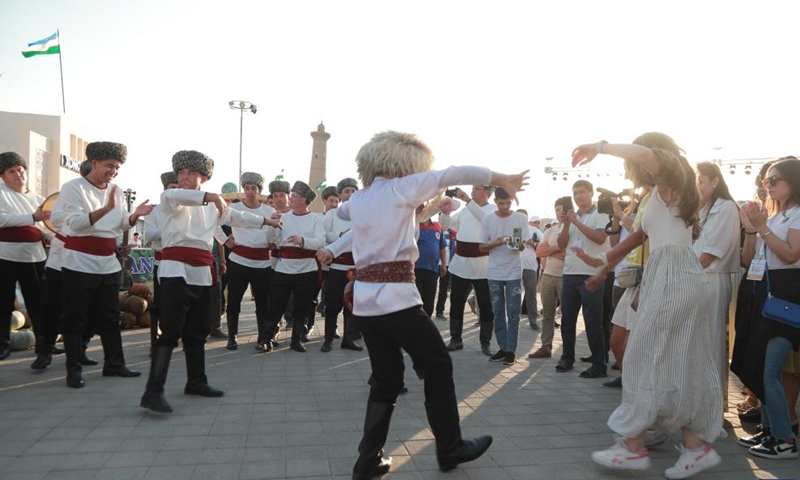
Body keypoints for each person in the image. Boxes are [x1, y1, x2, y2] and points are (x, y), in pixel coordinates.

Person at [318, 131, 527, 479]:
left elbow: (348, 215)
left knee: (385, 379)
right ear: (404, 163)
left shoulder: (360, 199)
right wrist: (502, 178)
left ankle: (368, 461)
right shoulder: (402, 188)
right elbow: (453, 173)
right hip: (396, 299)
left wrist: (420, 209)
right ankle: (449, 447)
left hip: (366, 303)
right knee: (437, 364)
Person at [572, 133, 723, 478]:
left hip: (674, 277)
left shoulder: (672, 180)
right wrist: (602, 265)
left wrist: (600, 148)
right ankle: (694, 447)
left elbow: (644, 154)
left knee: (642, 357)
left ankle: (633, 447)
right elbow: (639, 237)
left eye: (630, 164)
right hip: (673, 276)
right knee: (676, 362)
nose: (630, 169)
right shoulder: (660, 193)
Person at [140, 150, 282, 414]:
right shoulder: (170, 198)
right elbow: (180, 196)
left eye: (191, 173)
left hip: (202, 273)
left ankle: (196, 381)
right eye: (181, 172)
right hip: (175, 270)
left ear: (203, 178)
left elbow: (238, 217)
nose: (184, 177)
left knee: (197, 331)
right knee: (169, 331)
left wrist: (267, 220)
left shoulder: (212, 206)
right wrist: (213, 196)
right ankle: (153, 391)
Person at [54, 141, 153, 388]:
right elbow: (75, 223)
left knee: (110, 317)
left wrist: (134, 215)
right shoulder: (73, 188)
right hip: (79, 262)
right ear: (94, 163)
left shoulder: (116, 190)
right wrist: (105, 208)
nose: (114, 171)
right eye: (110, 165)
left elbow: (121, 223)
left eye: (117, 167)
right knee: (75, 317)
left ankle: (114, 364)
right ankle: (73, 370)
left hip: (108, 264)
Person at [733, 157, 800, 459]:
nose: (768, 185)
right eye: (766, 180)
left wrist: (762, 228)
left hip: (787, 297)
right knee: (763, 368)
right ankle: (770, 430)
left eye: (774, 180)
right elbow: (749, 261)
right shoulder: (773, 217)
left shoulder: (797, 214)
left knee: (770, 370)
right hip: (764, 296)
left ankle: (785, 439)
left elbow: (790, 254)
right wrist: (751, 230)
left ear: (793, 181)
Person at [260, 181, 326, 353]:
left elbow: (321, 241)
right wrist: (272, 223)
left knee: (301, 306)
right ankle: (266, 339)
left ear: (303, 199)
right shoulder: (283, 217)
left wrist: (302, 241)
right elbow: (271, 240)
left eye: (294, 196)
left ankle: (296, 341)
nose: (290, 198)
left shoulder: (316, 219)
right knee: (275, 305)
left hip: (306, 270)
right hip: (283, 268)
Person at [693, 162, 741, 389]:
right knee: (696, 344)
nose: (697, 186)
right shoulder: (701, 210)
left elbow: (712, 252)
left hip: (712, 278)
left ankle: (714, 399)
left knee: (712, 342)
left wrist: (687, 275)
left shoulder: (727, 208)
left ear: (715, 181)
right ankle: (697, 397)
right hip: (696, 278)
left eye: (700, 181)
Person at [555, 179, 610, 378]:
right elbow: (561, 244)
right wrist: (567, 224)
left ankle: (599, 364)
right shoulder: (571, 217)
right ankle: (567, 358)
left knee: (593, 321)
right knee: (567, 320)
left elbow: (601, 238)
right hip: (570, 273)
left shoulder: (600, 214)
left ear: (591, 193)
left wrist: (576, 222)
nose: (578, 196)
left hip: (591, 274)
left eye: (582, 192)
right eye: (575, 193)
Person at [0, 152, 50, 361]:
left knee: (38, 302)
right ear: (2, 176)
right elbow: (2, 220)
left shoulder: (39, 199)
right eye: (12, 171)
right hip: (5, 256)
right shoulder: (1, 194)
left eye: (20, 170)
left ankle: (44, 346)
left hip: (34, 256)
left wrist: (53, 236)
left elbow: (45, 227)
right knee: (3, 302)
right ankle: (2, 345)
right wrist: (32, 217)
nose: (18, 174)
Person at [438, 185, 497, 356]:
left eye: (477, 188)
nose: (473, 190)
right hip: (461, 263)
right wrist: (446, 213)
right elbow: (448, 225)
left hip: (482, 265)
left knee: (485, 305)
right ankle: (455, 339)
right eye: (473, 188)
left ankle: (485, 341)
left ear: (487, 192)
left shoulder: (492, 210)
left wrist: (467, 200)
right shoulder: (465, 210)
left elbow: (486, 221)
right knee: (456, 302)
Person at [221, 172, 277, 351]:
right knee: (234, 300)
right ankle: (232, 337)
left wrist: (273, 241)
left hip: (262, 262)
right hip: (239, 261)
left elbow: (275, 233)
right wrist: (224, 240)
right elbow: (214, 223)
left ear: (259, 190)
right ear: (243, 189)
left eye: (254, 188)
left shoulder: (269, 211)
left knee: (263, 302)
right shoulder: (234, 207)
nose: (250, 191)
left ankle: (263, 337)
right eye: (247, 188)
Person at [479, 187, 529, 366]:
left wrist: (519, 245)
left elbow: (523, 245)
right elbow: (481, 247)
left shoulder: (521, 218)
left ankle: (511, 350)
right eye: (501, 203)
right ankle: (503, 347)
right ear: (495, 202)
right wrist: (496, 243)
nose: (505, 206)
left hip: (513, 271)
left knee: (513, 312)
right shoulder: (488, 219)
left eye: (508, 203)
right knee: (498, 311)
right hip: (494, 271)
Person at [321, 177, 363, 352]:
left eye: (353, 191)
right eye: (346, 191)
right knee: (333, 304)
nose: (350, 194)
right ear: (340, 194)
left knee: (352, 304)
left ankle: (348, 338)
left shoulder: (363, 214)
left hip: (357, 268)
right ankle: (328, 339)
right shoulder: (332, 214)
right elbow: (323, 236)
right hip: (337, 266)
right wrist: (341, 236)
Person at [143, 171, 180, 354]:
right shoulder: (155, 211)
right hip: (162, 262)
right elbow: (149, 235)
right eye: (172, 188)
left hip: (182, 263)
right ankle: (155, 342)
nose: (174, 193)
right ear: (164, 190)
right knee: (159, 304)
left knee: (181, 303)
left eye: (178, 189)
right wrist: (170, 229)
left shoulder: (187, 209)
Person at [527, 197, 569, 359]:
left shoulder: (574, 230)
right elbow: (539, 252)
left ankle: (567, 351)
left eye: (563, 209)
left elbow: (570, 254)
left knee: (567, 316)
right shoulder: (549, 231)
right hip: (548, 276)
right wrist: (557, 249)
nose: (560, 212)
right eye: (557, 209)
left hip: (566, 277)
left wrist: (550, 250)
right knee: (547, 315)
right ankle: (545, 347)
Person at [415, 203, 447, 317]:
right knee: (417, 300)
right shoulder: (413, 224)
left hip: (432, 268)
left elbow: (442, 247)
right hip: (415, 268)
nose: (421, 209)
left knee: (429, 299)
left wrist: (443, 265)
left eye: (423, 207)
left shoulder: (437, 226)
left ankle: (427, 320)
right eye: (419, 207)